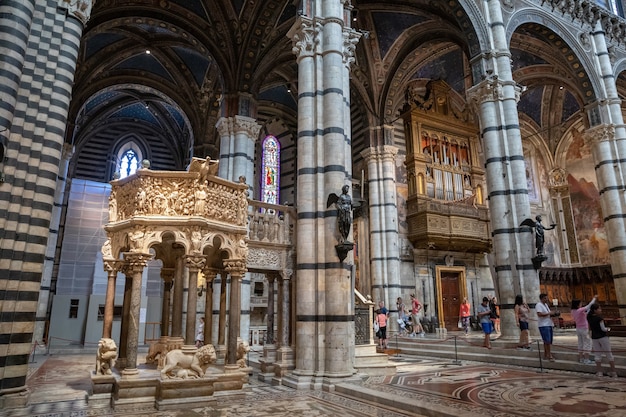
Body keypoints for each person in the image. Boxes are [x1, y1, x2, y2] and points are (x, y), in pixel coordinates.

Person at [587, 304, 617, 378]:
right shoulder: (599, 318)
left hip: (594, 337)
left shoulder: (589, 318)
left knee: (597, 355)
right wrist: (608, 329)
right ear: (595, 310)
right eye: (599, 309)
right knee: (609, 353)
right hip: (603, 337)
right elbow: (603, 329)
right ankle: (613, 372)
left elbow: (590, 328)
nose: (601, 310)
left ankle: (599, 372)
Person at [571, 294, 597, 364]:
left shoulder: (573, 311)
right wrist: (594, 299)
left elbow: (585, 312)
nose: (581, 304)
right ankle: (586, 359)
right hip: (584, 328)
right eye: (580, 303)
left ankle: (581, 358)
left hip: (578, 328)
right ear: (577, 304)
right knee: (587, 343)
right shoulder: (579, 310)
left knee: (580, 343)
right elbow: (589, 306)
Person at [535, 293, 557, 361]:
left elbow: (548, 314)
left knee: (548, 341)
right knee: (547, 341)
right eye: (545, 298)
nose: (547, 299)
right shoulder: (539, 305)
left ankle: (546, 354)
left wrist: (553, 314)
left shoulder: (546, 305)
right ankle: (549, 355)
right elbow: (539, 314)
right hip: (543, 325)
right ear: (542, 298)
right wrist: (549, 313)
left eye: (547, 298)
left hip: (548, 323)